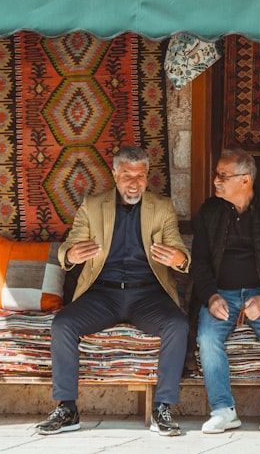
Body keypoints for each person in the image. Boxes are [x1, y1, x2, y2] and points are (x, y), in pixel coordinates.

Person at [35, 145, 190, 436]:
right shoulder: (93, 206)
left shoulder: (162, 206)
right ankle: (67, 408)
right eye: (128, 175)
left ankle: (162, 408)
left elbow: (179, 249)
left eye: (140, 176)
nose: (134, 183)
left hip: (148, 294)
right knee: (63, 324)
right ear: (115, 175)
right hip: (102, 295)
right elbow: (69, 246)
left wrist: (178, 259)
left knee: (178, 325)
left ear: (147, 176)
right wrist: (71, 256)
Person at [191, 148, 260, 436]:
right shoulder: (209, 211)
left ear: (245, 180)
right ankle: (223, 411)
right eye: (217, 174)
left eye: (223, 176)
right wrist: (211, 297)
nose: (216, 181)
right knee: (207, 336)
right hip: (220, 294)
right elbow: (198, 263)